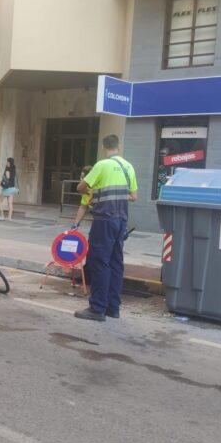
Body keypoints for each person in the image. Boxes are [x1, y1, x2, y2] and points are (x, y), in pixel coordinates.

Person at [74, 135, 137, 322]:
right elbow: (134, 196)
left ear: (104, 147)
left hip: (104, 220)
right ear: (119, 146)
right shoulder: (128, 167)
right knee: (116, 263)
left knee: (99, 262)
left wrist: (93, 190)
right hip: (121, 221)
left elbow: (80, 187)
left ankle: (97, 308)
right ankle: (112, 307)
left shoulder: (102, 165)